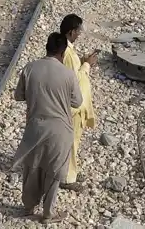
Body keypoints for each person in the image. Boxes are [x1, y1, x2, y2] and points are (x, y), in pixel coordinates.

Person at [12, 32, 83, 224]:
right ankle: (48, 214)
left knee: (32, 167)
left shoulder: (30, 68)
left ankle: (28, 207)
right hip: (60, 131)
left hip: (35, 127)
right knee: (54, 172)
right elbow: (77, 102)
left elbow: (18, 96)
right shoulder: (68, 74)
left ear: (47, 47)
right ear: (63, 52)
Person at [59, 14, 96, 190]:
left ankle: (71, 171)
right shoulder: (67, 53)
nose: (79, 34)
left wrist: (82, 62)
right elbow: (73, 79)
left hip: (75, 105)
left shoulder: (67, 51)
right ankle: (67, 178)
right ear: (72, 32)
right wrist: (87, 64)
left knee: (74, 140)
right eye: (78, 31)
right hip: (73, 107)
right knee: (71, 141)